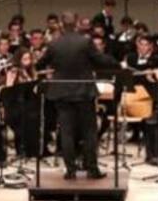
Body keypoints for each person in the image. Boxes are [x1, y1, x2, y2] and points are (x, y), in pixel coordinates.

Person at [36, 13, 118, 180]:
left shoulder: (54, 43)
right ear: (77, 24)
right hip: (83, 92)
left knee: (67, 132)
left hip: (62, 93)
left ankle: (71, 170)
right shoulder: (85, 42)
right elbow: (100, 60)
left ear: (61, 24)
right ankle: (92, 169)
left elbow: (40, 64)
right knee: (89, 132)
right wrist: (116, 63)